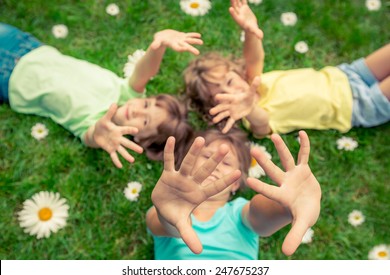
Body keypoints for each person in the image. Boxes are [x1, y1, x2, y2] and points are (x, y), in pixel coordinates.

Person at [0, 23, 201, 167]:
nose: (138, 111)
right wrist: (159, 45)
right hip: (26, 47)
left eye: (146, 122)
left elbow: (91, 136)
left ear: (143, 140)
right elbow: (145, 72)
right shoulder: (127, 93)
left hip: (9, 81)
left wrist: (99, 134)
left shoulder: (101, 125)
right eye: (147, 104)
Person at [183, 0, 390, 137]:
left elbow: (253, 57)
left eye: (229, 82)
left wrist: (251, 30)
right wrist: (250, 108)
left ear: (237, 73)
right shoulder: (251, 116)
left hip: (346, 75)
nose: (232, 92)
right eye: (222, 97)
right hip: (358, 106)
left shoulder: (254, 81)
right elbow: (262, 126)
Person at [146, 128, 321, 259]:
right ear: (188, 164)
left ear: (235, 183)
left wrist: (284, 206)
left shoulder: (238, 212)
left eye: (227, 163)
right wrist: (169, 215)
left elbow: (259, 216)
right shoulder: (165, 208)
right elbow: (161, 224)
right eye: (207, 157)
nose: (215, 165)